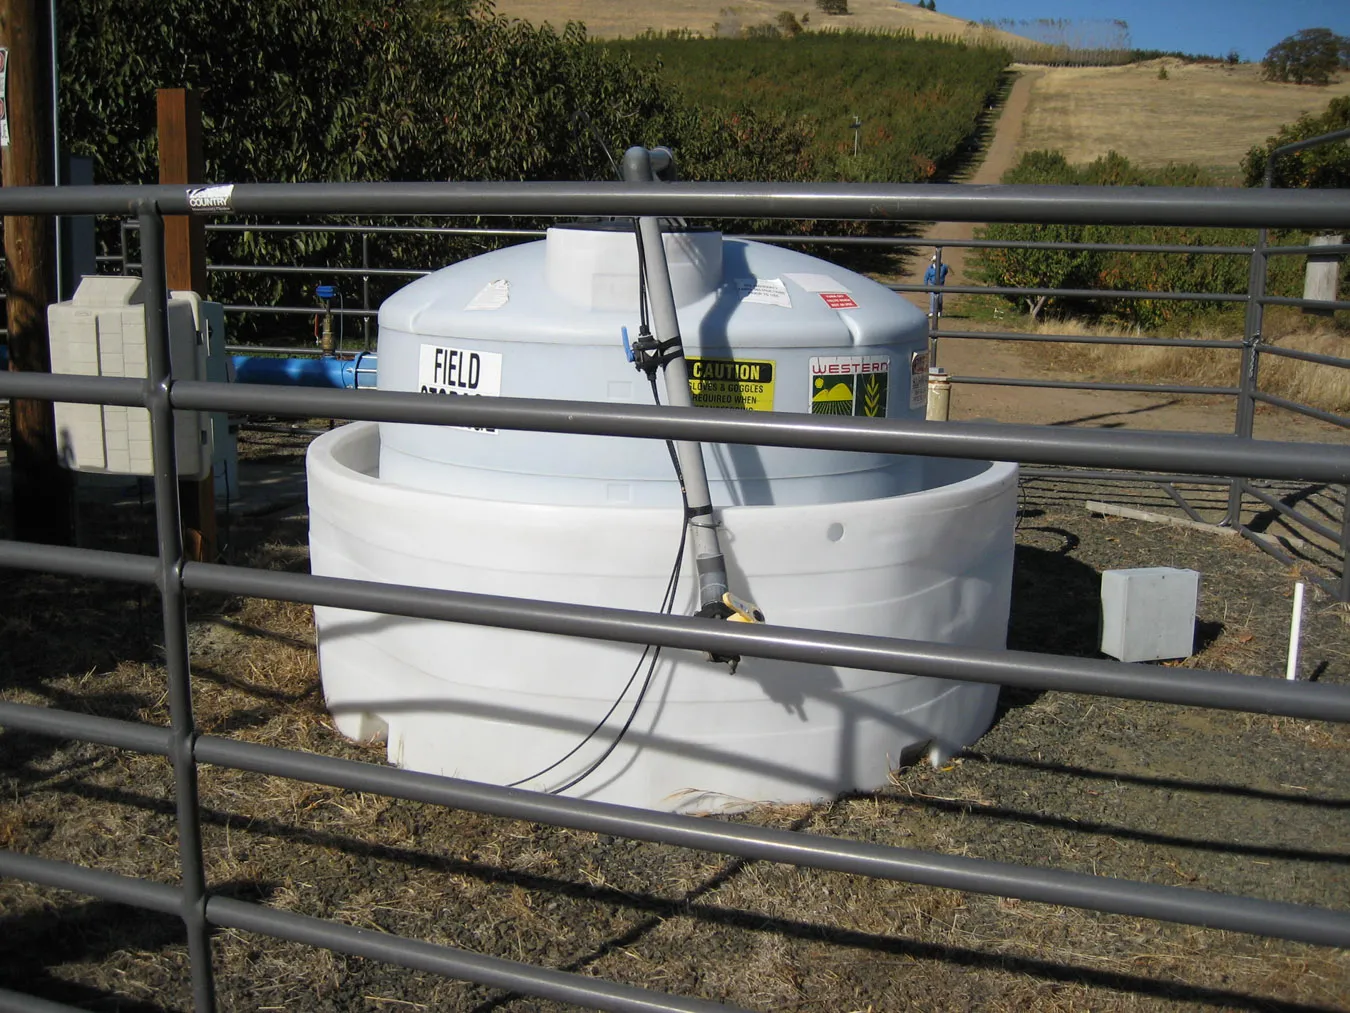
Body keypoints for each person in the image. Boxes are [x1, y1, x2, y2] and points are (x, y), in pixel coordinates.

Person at [924, 253, 950, 319]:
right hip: (932, 285)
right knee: (932, 298)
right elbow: (926, 277)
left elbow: (946, 271)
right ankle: (932, 312)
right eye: (935, 261)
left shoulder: (943, 266)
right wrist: (926, 286)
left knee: (940, 299)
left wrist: (942, 278)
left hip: (940, 285)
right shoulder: (930, 268)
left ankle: (939, 311)